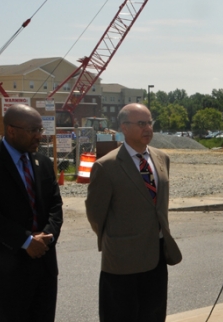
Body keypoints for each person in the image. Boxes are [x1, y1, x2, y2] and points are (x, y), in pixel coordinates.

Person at [0, 104, 63, 321]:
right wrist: (26, 241)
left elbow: (55, 206)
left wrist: (47, 237)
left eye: (41, 130)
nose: (39, 136)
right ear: (11, 130)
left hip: (43, 265)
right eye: (33, 130)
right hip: (4, 269)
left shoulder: (44, 163)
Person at [85, 103, 182, 321]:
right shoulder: (106, 166)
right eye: (141, 123)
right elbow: (95, 214)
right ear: (124, 128)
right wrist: (117, 240)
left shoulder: (161, 158)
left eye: (149, 122)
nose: (147, 128)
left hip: (156, 256)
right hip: (122, 260)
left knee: (154, 314)